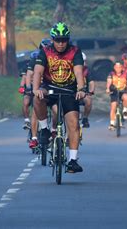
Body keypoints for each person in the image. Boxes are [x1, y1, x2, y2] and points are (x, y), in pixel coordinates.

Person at [32, 22, 86, 173]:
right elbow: (37, 72)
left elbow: (79, 72)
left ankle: (73, 161)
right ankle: (44, 130)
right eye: (57, 40)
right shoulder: (45, 51)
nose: (61, 43)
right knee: (37, 98)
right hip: (49, 88)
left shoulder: (75, 51)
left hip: (69, 90)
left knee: (74, 124)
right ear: (52, 39)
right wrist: (36, 89)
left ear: (68, 39)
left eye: (64, 40)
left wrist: (81, 89)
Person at [26, 40, 52, 149]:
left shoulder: (54, 59)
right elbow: (29, 75)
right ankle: (34, 138)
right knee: (35, 113)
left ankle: (55, 132)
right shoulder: (36, 59)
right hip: (37, 89)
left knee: (56, 111)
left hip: (50, 88)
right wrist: (28, 87)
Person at [106, 61, 127, 130]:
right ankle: (112, 123)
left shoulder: (126, 74)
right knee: (113, 106)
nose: (118, 68)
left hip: (123, 91)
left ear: (122, 68)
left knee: (125, 97)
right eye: (116, 67)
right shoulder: (111, 74)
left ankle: (125, 110)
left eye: (120, 67)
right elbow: (109, 82)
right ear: (114, 68)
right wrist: (108, 88)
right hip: (114, 92)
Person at [80, 52, 95, 128]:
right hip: (71, 94)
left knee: (89, 100)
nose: (84, 63)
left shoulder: (87, 70)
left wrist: (91, 91)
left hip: (83, 94)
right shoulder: (70, 70)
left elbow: (91, 82)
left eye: (85, 61)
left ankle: (85, 118)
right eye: (83, 61)